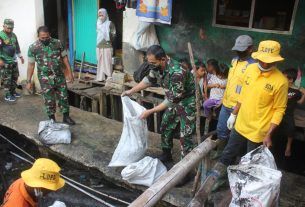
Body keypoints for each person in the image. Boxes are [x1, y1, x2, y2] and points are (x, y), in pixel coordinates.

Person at [217, 40, 288, 169]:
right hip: (241, 124)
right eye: (262, 60)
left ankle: (243, 186)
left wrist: (269, 134)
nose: (265, 63)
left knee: (249, 163)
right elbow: (242, 94)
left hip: (258, 131)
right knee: (227, 153)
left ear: (276, 61)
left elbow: (279, 109)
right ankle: (219, 178)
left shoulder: (281, 81)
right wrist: (234, 114)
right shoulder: (250, 69)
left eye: (269, 61)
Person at [122, 45, 195, 162]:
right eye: (149, 62)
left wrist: (150, 111)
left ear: (163, 59)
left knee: (185, 135)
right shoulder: (156, 66)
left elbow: (171, 100)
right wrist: (130, 91)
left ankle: (185, 168)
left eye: (153, 62)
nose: (150, 65)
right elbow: (148, 81)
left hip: (187, 101)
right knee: (166, 126)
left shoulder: (177, 72)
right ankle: (167, 155)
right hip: (173, 98)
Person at [214, 35, 255, 156]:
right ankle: (220, 152)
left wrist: (235, 112)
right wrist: (223, 99)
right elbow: (231, 82)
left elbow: (247, 91)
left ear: (250, 49)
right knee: (221, 130)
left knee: (234, 136)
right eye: (238, 49)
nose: (239, 52)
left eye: (242, 50)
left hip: (239, 107)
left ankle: (230, 159)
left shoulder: (253, 66)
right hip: (226, 104)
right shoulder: (234, 60)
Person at [26, 26, 75, 125]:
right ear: (38, 36)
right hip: (45, 78)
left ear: (49, 35)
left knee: (63, 96)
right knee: (49, 99)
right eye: (42, 38)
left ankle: (66, 117)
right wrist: (28, 81)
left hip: (59, 76)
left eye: (46, 37)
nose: (44, 39)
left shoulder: (58, 43)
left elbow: (65, 58)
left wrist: (70, 73)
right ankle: (52, 119)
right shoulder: (33, 47)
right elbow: (31, 65)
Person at [1, 158, 65, 207]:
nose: (52, 191)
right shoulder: (18, 204)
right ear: (40, 188)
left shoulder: (23, 181)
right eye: (50, 189)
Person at [278, 68, 305, 157]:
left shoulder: (296, 92)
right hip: (277, 112)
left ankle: (288, 147)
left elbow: (300, 102)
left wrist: (304, 95)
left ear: (291, 80)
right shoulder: (280, 87)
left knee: (291, 129)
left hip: (288, 114)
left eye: (284, 77)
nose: (281, 79)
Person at [0, 19, 24, 102]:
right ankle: (7, 95)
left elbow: (17, 46)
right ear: (4, 26)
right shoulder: (1, 35)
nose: (10, 30)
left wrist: (20, 56)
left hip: (13, 60)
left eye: (11, 28)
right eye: (8, 28)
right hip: (5, 61)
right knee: (7, 79)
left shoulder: (13, 35)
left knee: (15, 76)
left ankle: (13, 92)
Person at [96, 8, 116, 81]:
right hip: (99, 46)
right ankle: (100, 77)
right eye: (99, 15)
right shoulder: (97, 23)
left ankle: (109, 76)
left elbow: (113, 34)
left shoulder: (110, 23)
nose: (100, 16)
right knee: (100, 62)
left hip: (107, 45)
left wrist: (109, 41)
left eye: (102, 15)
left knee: (107, 62)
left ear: (105, 14)